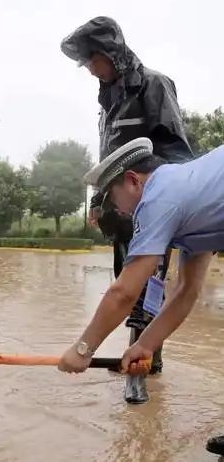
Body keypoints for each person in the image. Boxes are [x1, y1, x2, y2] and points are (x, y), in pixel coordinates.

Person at [57, 137, 224, 456]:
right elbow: (186, 293)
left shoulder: (159, 198)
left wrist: (83, 349)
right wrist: (143, 345)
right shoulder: (189, 201)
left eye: (114, 199)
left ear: (133, 180)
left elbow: (124, 291)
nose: (118, 210)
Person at [60, 16, 194, 377]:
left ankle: (147, 366)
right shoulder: (107, 98)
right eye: (86, 63)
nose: (90, 69)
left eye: (93, 61)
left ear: (112, 53)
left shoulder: (154, 85)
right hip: (121, 212)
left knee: (147, 286)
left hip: (154, 203)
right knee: (126, 287)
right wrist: (97, 200)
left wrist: (158, 198)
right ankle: (133, 355)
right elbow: (107, 158)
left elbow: (178, 152)